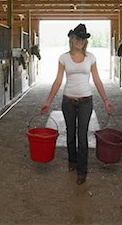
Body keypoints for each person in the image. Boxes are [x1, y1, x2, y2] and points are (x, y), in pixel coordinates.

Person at [40, 23, 114, 185]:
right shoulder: (63, 58)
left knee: (82, 137)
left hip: (86, 101)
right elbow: (58, 80)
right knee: (70, 134)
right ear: (71, 39)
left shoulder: (91, 58)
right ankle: (72, 161)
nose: (80, 41)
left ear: (85, 42)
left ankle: (82, 171)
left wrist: (106, 100)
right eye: (77, 38)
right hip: (68, 102)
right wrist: (48, 101)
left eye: (82, 39)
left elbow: (97, 80)